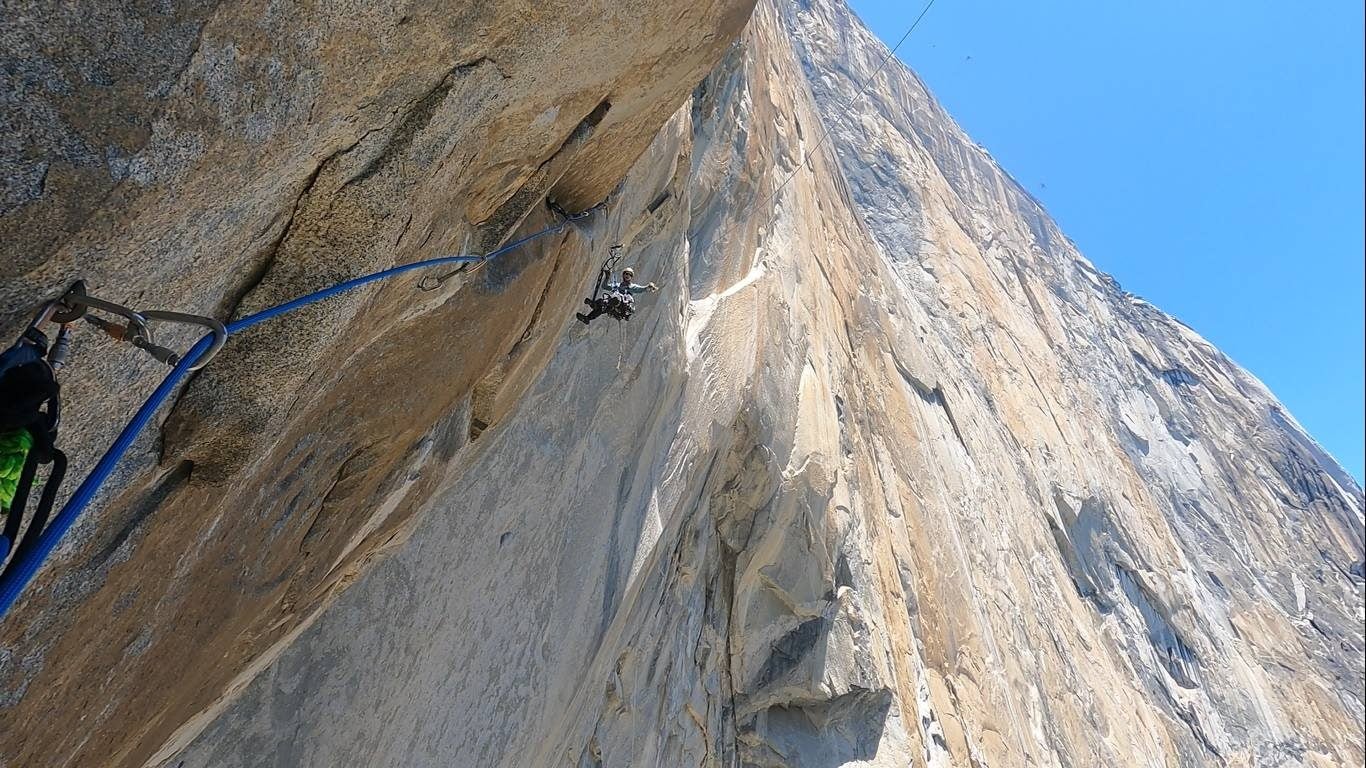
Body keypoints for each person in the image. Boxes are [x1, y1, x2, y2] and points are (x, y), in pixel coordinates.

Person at [577, 267, 658, 325]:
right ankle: (588, 318)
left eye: (629, 274)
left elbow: (641, 289)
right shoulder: (617, 285)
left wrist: (648, 286)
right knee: (602, 306)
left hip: (622, 305)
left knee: (615, 298)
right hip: (613, 305)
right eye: (626, 274)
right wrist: (607, 277)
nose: (627, 275)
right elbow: (605, 286)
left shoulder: (632, 287)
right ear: (623, 275)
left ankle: (594, 304)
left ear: (631, 277)